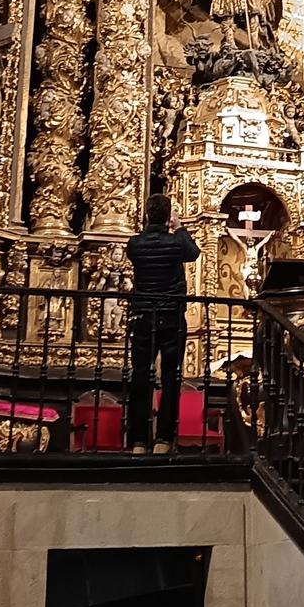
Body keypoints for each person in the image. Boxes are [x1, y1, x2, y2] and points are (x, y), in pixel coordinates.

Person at [124, 194, 201, 454]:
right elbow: (193, 253)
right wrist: (179, 227)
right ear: (169, 216)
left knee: (140, 377)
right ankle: (164, 440)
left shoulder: (135, 244)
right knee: (171, 378)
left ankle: (137, 441)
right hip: (170, 316)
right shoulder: (175, 243)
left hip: (143, 315)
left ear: (146, 215)